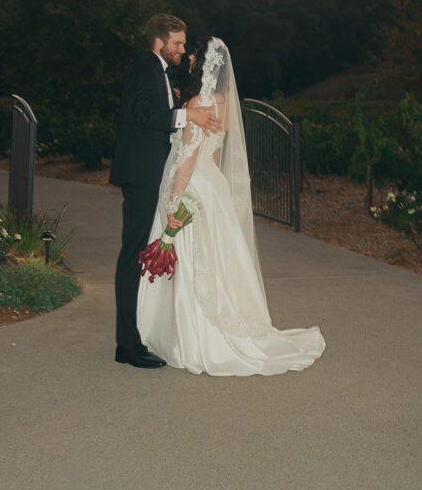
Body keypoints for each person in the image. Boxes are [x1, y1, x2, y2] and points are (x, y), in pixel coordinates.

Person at [137, 36, 326, 376]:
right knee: (221, 259)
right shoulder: (222, 100)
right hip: (215, 186)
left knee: (195, 259)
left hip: (195, 186)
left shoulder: (199, 102)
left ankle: (194, 336)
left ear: (202, 62)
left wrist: (173, 199)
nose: (190, 59)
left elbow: (188, 158)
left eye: (193, 55)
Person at [110, 14, 220, 369]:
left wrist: (174, 106)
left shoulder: (159, 72)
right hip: (141, 176)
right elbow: (144, 115)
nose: (182, 49)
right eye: (177, 43)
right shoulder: (145, 66)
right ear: (159, 41)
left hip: (147, 175)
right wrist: (188, 116)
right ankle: (127, 346)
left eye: (184, 44)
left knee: (138, 253)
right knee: (133, 255)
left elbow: (153, 111)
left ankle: (134, 336)